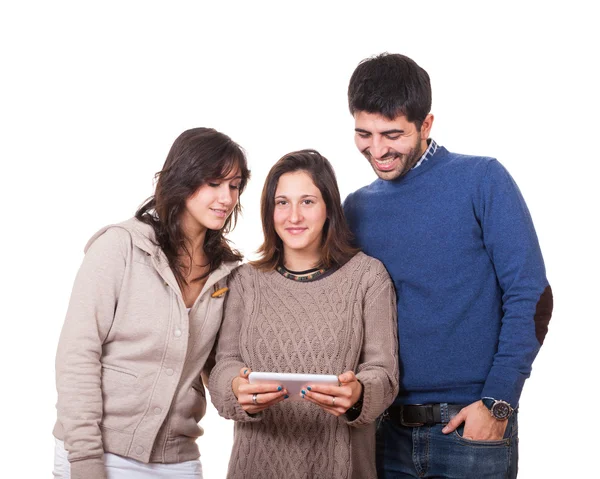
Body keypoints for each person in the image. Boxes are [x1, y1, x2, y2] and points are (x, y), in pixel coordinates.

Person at [343, 53, 553, 478]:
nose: (377, 150)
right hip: (384, 431)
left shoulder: (482, 180)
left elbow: (532, 295)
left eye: (392, 134)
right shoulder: (356, 208)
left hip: (470, 429)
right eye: (363, 134)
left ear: (426, 125)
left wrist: (499, 402)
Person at [53, 127, 250, 479]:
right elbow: (78, 355)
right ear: (183, 179)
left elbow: (220, 366)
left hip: (178, 459)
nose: (226, 197)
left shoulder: (228, 273)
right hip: (100, 451)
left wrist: (243, 389)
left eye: (234, 186)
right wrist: (84, 460)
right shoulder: (120, 247)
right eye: (214, 183)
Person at [208, 149, 399, 478]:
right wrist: (235, 389)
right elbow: (224, 364)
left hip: (341, 465)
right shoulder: (244, 281)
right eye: (282, 202)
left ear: (329, 209)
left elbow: (384, 373)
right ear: (269, 211)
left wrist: (359, 394)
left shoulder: (368, 277)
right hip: (257, 464)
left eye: (307, 202)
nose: (293, 216)